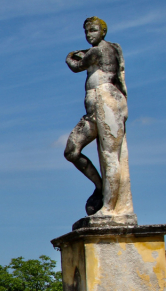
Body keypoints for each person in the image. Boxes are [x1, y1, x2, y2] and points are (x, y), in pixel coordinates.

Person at [64, 17, 134, 220]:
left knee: (110, 156)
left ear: (103, 32)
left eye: (93, 30)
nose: (89, 35)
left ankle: (110, 208)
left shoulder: (99, 50)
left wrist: (70, 56)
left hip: (106, 101)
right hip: (93, 109)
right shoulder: (108, 49)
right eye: (86, 32)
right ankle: (101, 187)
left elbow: (76, 66)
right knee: (71, 151)